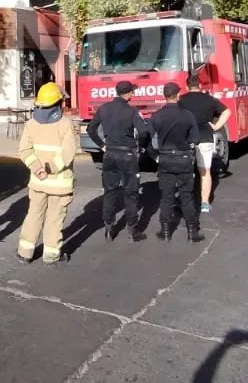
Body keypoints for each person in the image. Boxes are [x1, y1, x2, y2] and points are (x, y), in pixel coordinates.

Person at [15, 82, 78, 265]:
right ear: (58, 104)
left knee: (33, 215)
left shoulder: (31, 124)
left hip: (38, 182)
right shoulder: (66, 124)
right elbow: (68, 153)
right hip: (59, 184)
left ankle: (24, 253)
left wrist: (37, 168)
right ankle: (51, 255)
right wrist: (49, 168)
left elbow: (24, 151)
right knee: (54, 220)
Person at [86, 80, 151, 242]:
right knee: (131, 193)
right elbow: (143, 132)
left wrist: (102, 145)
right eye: (132, 92)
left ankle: (109, 227)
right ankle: (132, 230)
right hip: (127, 154)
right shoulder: (132, 111)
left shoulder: (104, 109)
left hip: (110, 154)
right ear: (128, 94)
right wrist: (141, 148)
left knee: (109, 192)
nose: (133, 94)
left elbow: (90, 129)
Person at [148, 82, 205, 243]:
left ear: (164, 96)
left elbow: (145, 137)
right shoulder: (187, 115)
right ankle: (192, 232)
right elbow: (196, 139)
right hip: (184, 158)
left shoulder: (157, 116)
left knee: (166, 197)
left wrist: (154, 155)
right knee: (186, 196)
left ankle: (165, 231)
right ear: (178, 95)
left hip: (165, 158)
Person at [177, 76, 230, 213]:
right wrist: (217, 126)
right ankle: (205, 203)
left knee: (185, 171)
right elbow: (227, 111)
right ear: (200, 85)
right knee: (205, 171)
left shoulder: (181, 100)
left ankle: (184, 201)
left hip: (186, 139)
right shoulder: (209, 99)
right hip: (205, 137)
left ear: (187, 86)